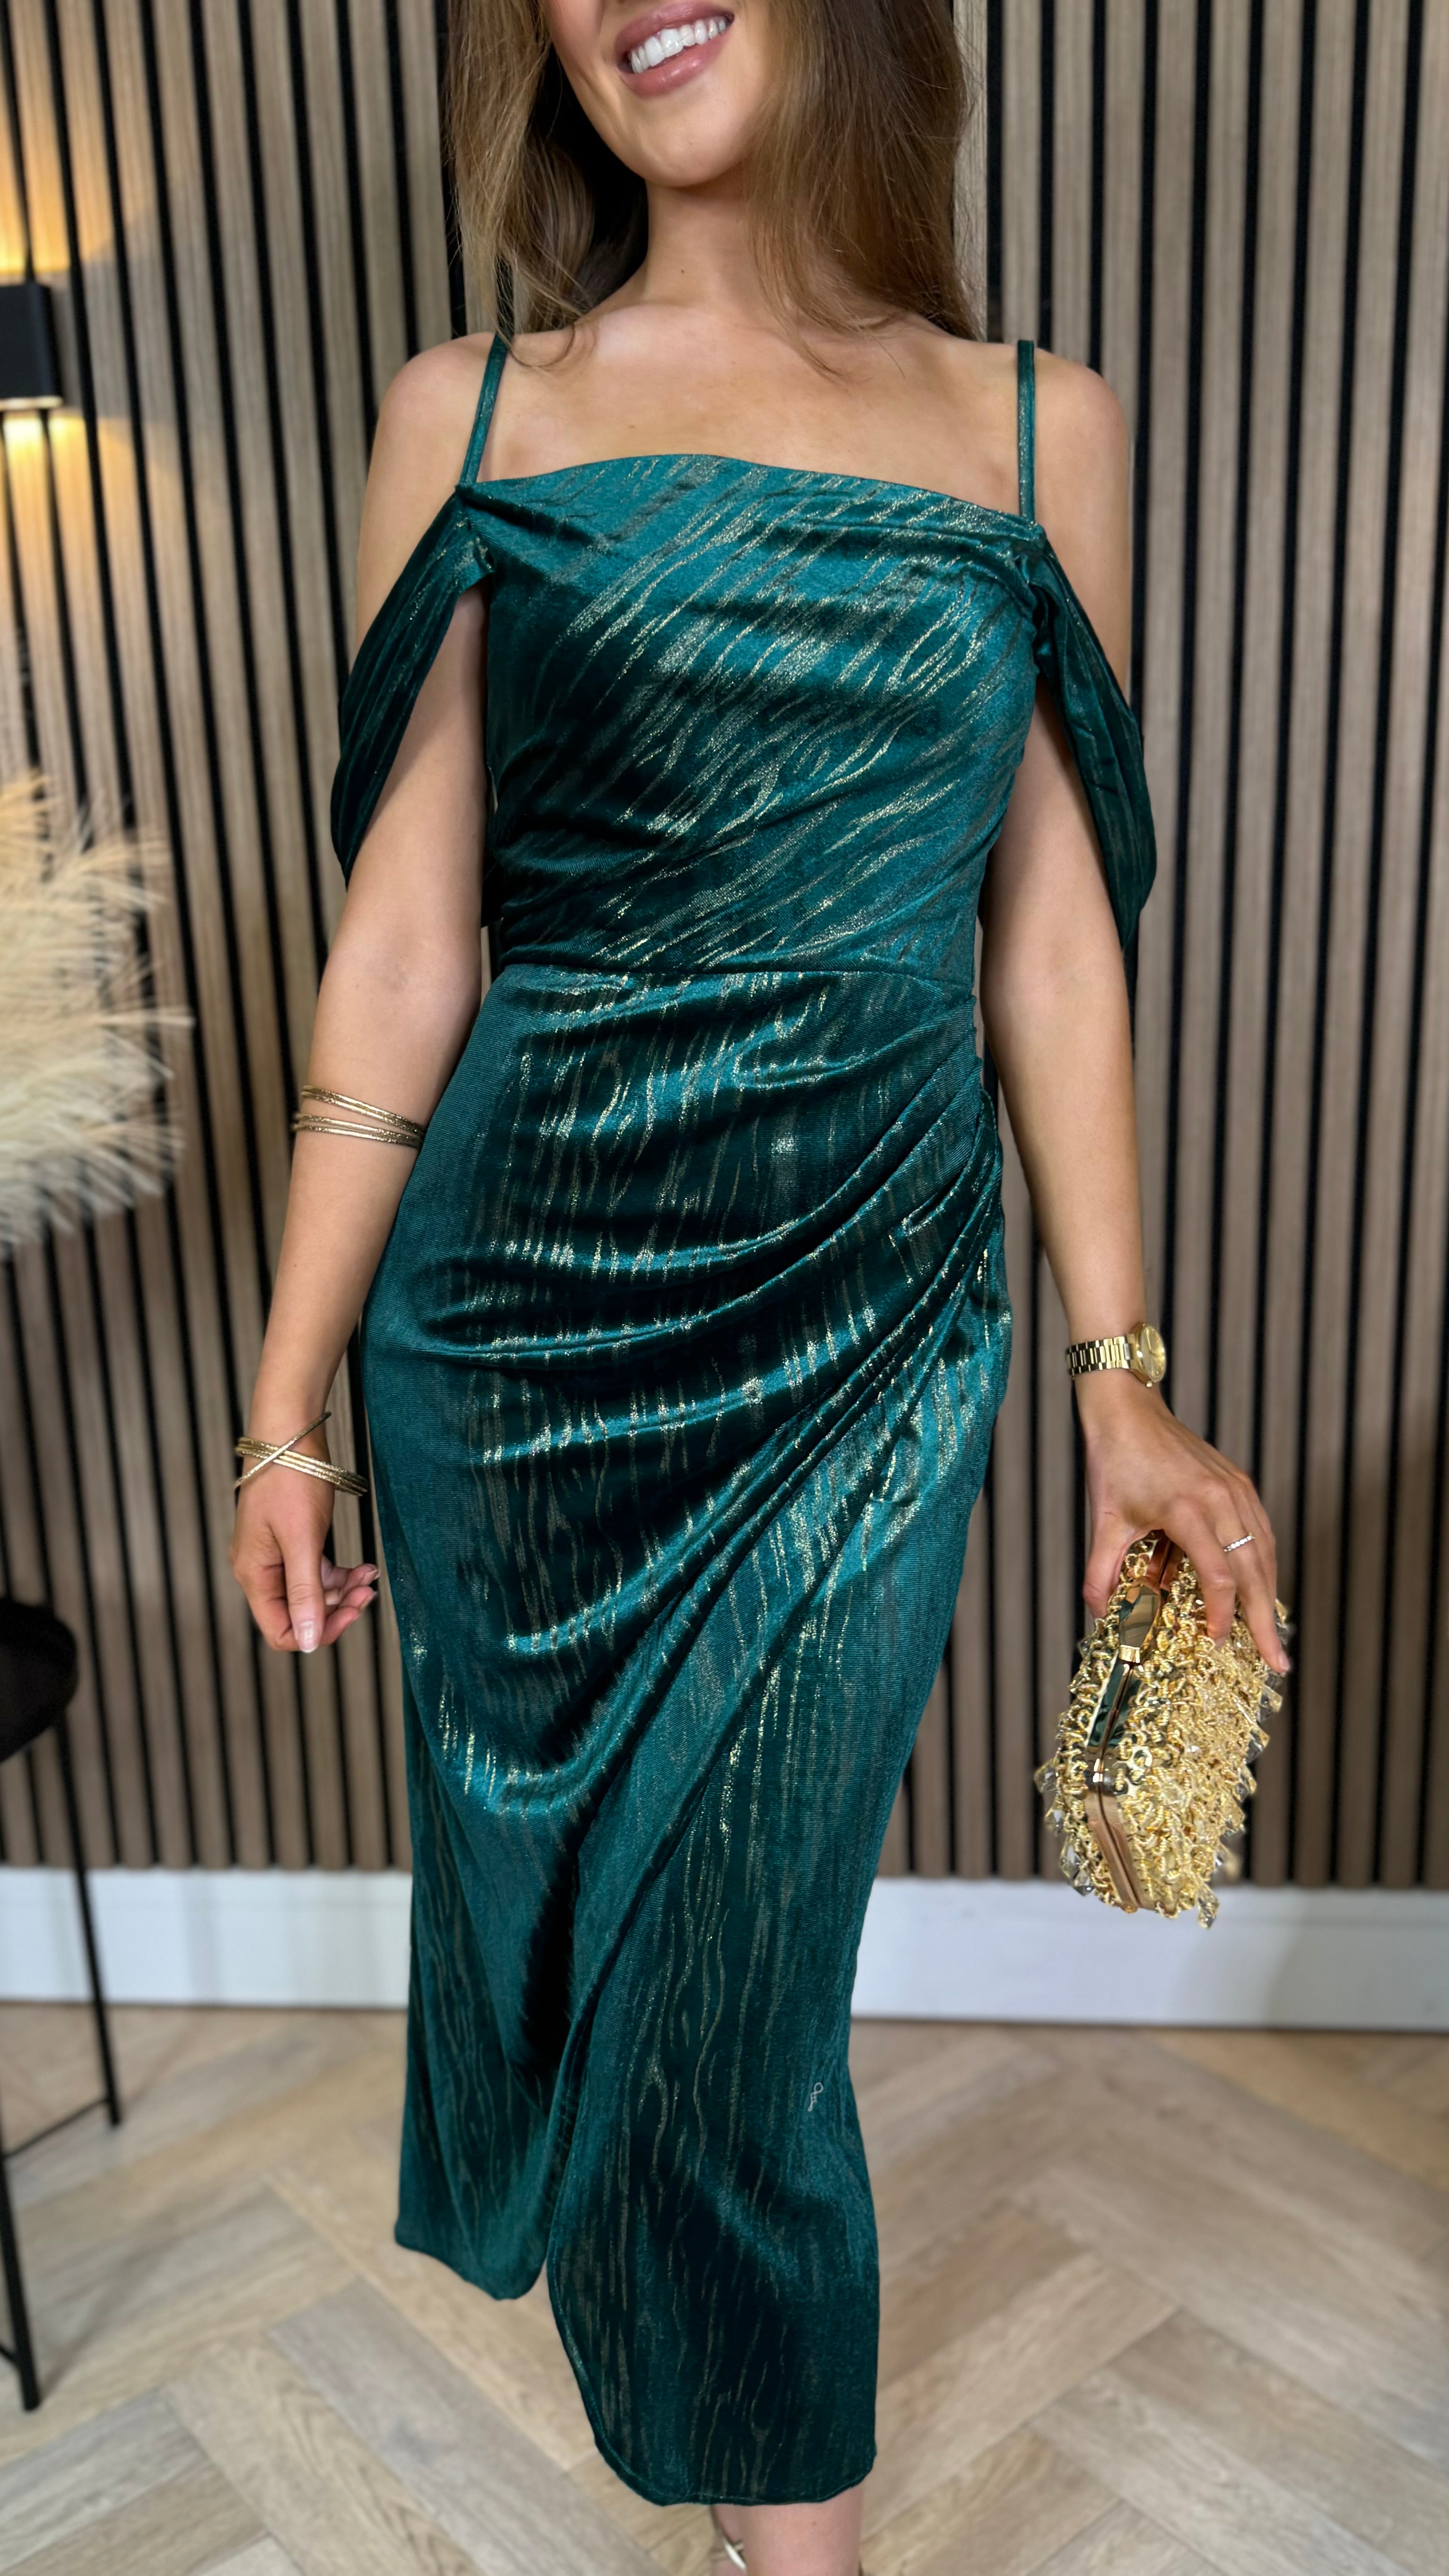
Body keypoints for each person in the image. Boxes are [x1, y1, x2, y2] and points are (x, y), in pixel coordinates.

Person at [231, 5, 1289, 2570]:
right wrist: (284, 1404)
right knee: (616, 1973)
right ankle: (758, 2510)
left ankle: (781, 2538)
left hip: (872, 1324)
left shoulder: (1041, 428)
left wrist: (1122, 1380)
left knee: (742, 1988)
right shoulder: (470, 412)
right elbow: (404, 949)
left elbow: (1051, 939)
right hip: (514, 1339)